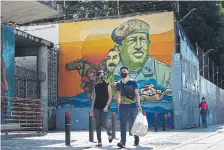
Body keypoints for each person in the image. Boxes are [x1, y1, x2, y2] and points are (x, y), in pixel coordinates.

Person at [111, 19, 172, 101]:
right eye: (132, 40)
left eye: (142, 39)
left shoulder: (166, 73)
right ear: (118, 48)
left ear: (148, 43)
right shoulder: (110, 75)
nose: (138, 46)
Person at [116, 66, 142, 148]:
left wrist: (139, 105)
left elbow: (137, 94)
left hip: (132, 106)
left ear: (128, 72)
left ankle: (136, 140)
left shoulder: (133, 82)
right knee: (122, 124)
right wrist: (118, 104)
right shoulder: (118, 83)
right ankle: (122, 142)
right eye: (121, 71)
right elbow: (118, 95)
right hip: (122, 106)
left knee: (134, 124)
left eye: (124, 71)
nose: (123, 72)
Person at [90, 70, 113, 147]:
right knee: (97, 125)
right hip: (96, 107)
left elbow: (110, 97)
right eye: (100, 75)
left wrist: (106, 106)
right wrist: (92, 108)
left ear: (105, 76)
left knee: (103, 123)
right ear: (98, 76)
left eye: (103, 74)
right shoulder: (96, 85)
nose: (101, 76)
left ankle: (109, 134)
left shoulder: (108, 85)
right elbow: (94, 97)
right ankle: (99, 141)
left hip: (105, 107)